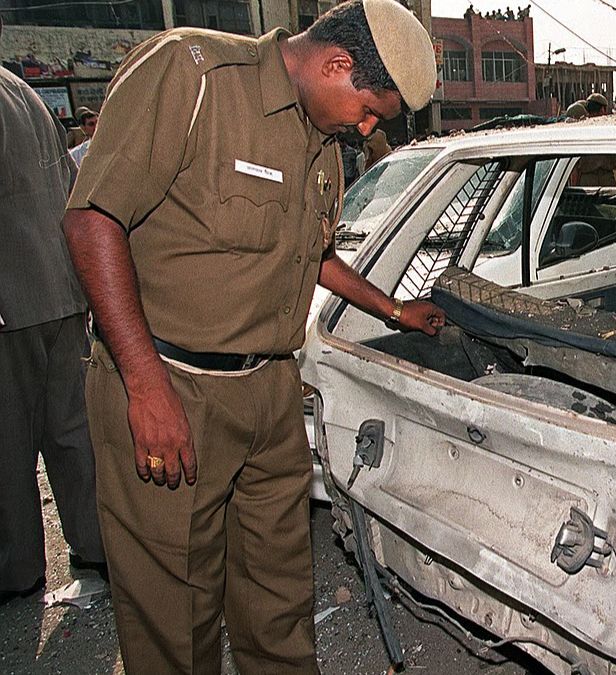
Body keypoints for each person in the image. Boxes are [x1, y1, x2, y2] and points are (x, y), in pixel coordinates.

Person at [60, 0, 444, 671]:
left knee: (280, 599)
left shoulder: (322, 142)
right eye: (370, 112)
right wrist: (146, 386)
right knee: (175, 615)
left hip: (268, 391)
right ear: (337, 64)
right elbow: (94, 219)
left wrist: (394, 310)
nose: (365, 128)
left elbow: (309, 252)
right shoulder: (195, 76)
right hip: (172, 386)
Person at [0, 19, 106, 607]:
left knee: (9, 443)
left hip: (10, 302)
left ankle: (17, 571)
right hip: (60, 291)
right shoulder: (22, 91)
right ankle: (95, 549)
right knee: (71, 434)